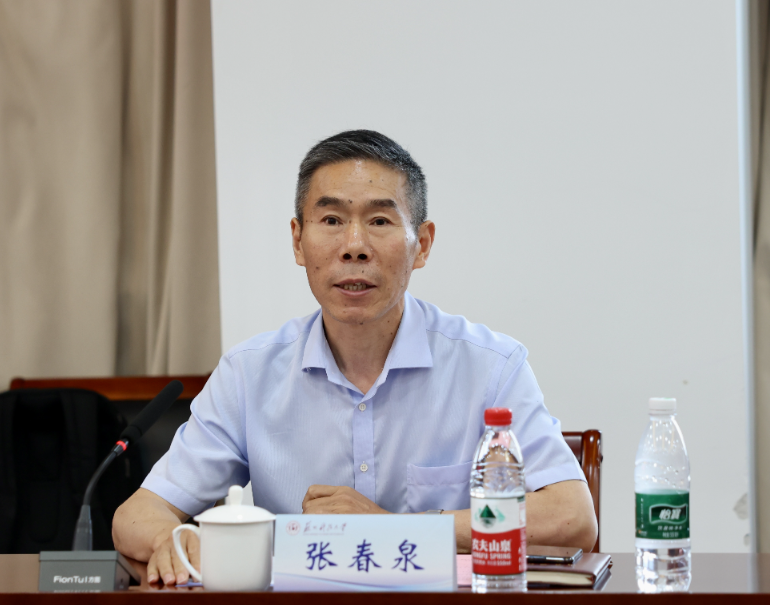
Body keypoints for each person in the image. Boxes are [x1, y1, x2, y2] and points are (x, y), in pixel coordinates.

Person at [112, 130, 598, 585]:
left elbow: (571, 517)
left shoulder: (490, 366)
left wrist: (394, 527)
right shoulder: (248, 374)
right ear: (298, 241)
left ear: (422, 245)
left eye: (380, 221)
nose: (354, 247)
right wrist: (173, 541)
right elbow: (135, 517)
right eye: (331, 221)